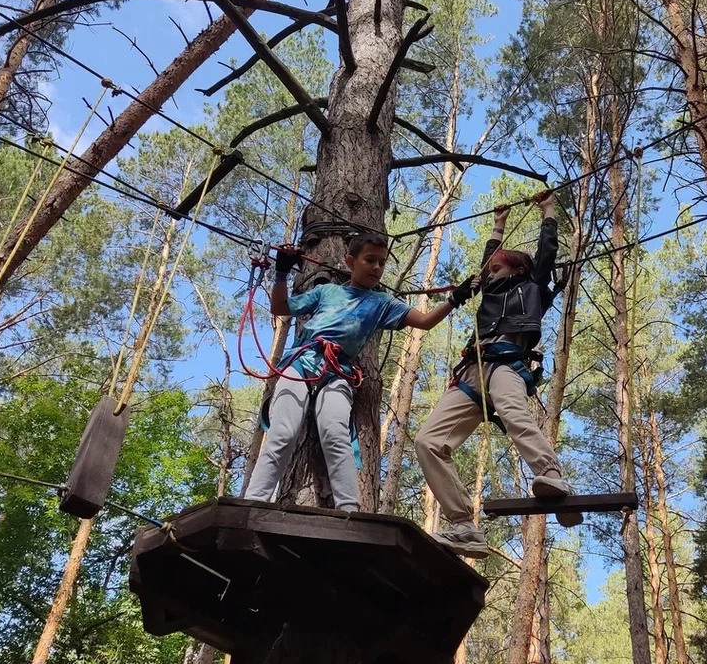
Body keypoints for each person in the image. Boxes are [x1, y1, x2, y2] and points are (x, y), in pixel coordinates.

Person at [244, 232, 474, 511]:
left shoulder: (382, 303)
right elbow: (279, 307)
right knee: (283, 431)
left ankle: (349, 509)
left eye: (381, 262)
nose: (377, 268)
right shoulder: (327, 292)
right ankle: (254, 500)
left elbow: (424, 321)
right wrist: (281, 272)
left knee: (335, 432)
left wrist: (455, 299)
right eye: (369, 260)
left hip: (338, 371)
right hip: (302, 362)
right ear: (351, 261)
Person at [415, 191, 577, 558]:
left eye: (498, 268)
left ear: (519, 269)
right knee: (428, 441)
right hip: (472, 371)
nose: (490, 272)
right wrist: (497, 224)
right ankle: (462, 525)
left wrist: (548, 211)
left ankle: (550, 474)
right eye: (490, 270)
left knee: (512, 409)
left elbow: (546, 253)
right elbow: (488, 261)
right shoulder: (488, 293)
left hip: (507, 363)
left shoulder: (532, 288)